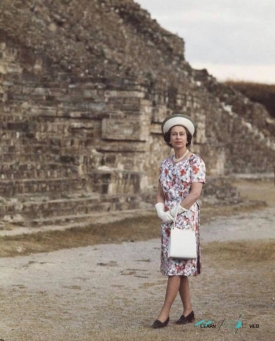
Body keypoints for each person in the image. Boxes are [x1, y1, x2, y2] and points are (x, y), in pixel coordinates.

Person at [152, 113, 206, 329]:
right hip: (168, 220)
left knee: (176, 264)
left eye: (182, 134)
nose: (178, 137)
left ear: (188, 137)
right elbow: (159, 193)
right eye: (174, 134)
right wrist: (160, 210)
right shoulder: (165, 164)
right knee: (179, 262)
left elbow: (195, 193)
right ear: (169, 138)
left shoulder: (195, 162)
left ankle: (164, 313)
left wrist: (175, 211)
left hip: (185, 218)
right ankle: (188, 310)